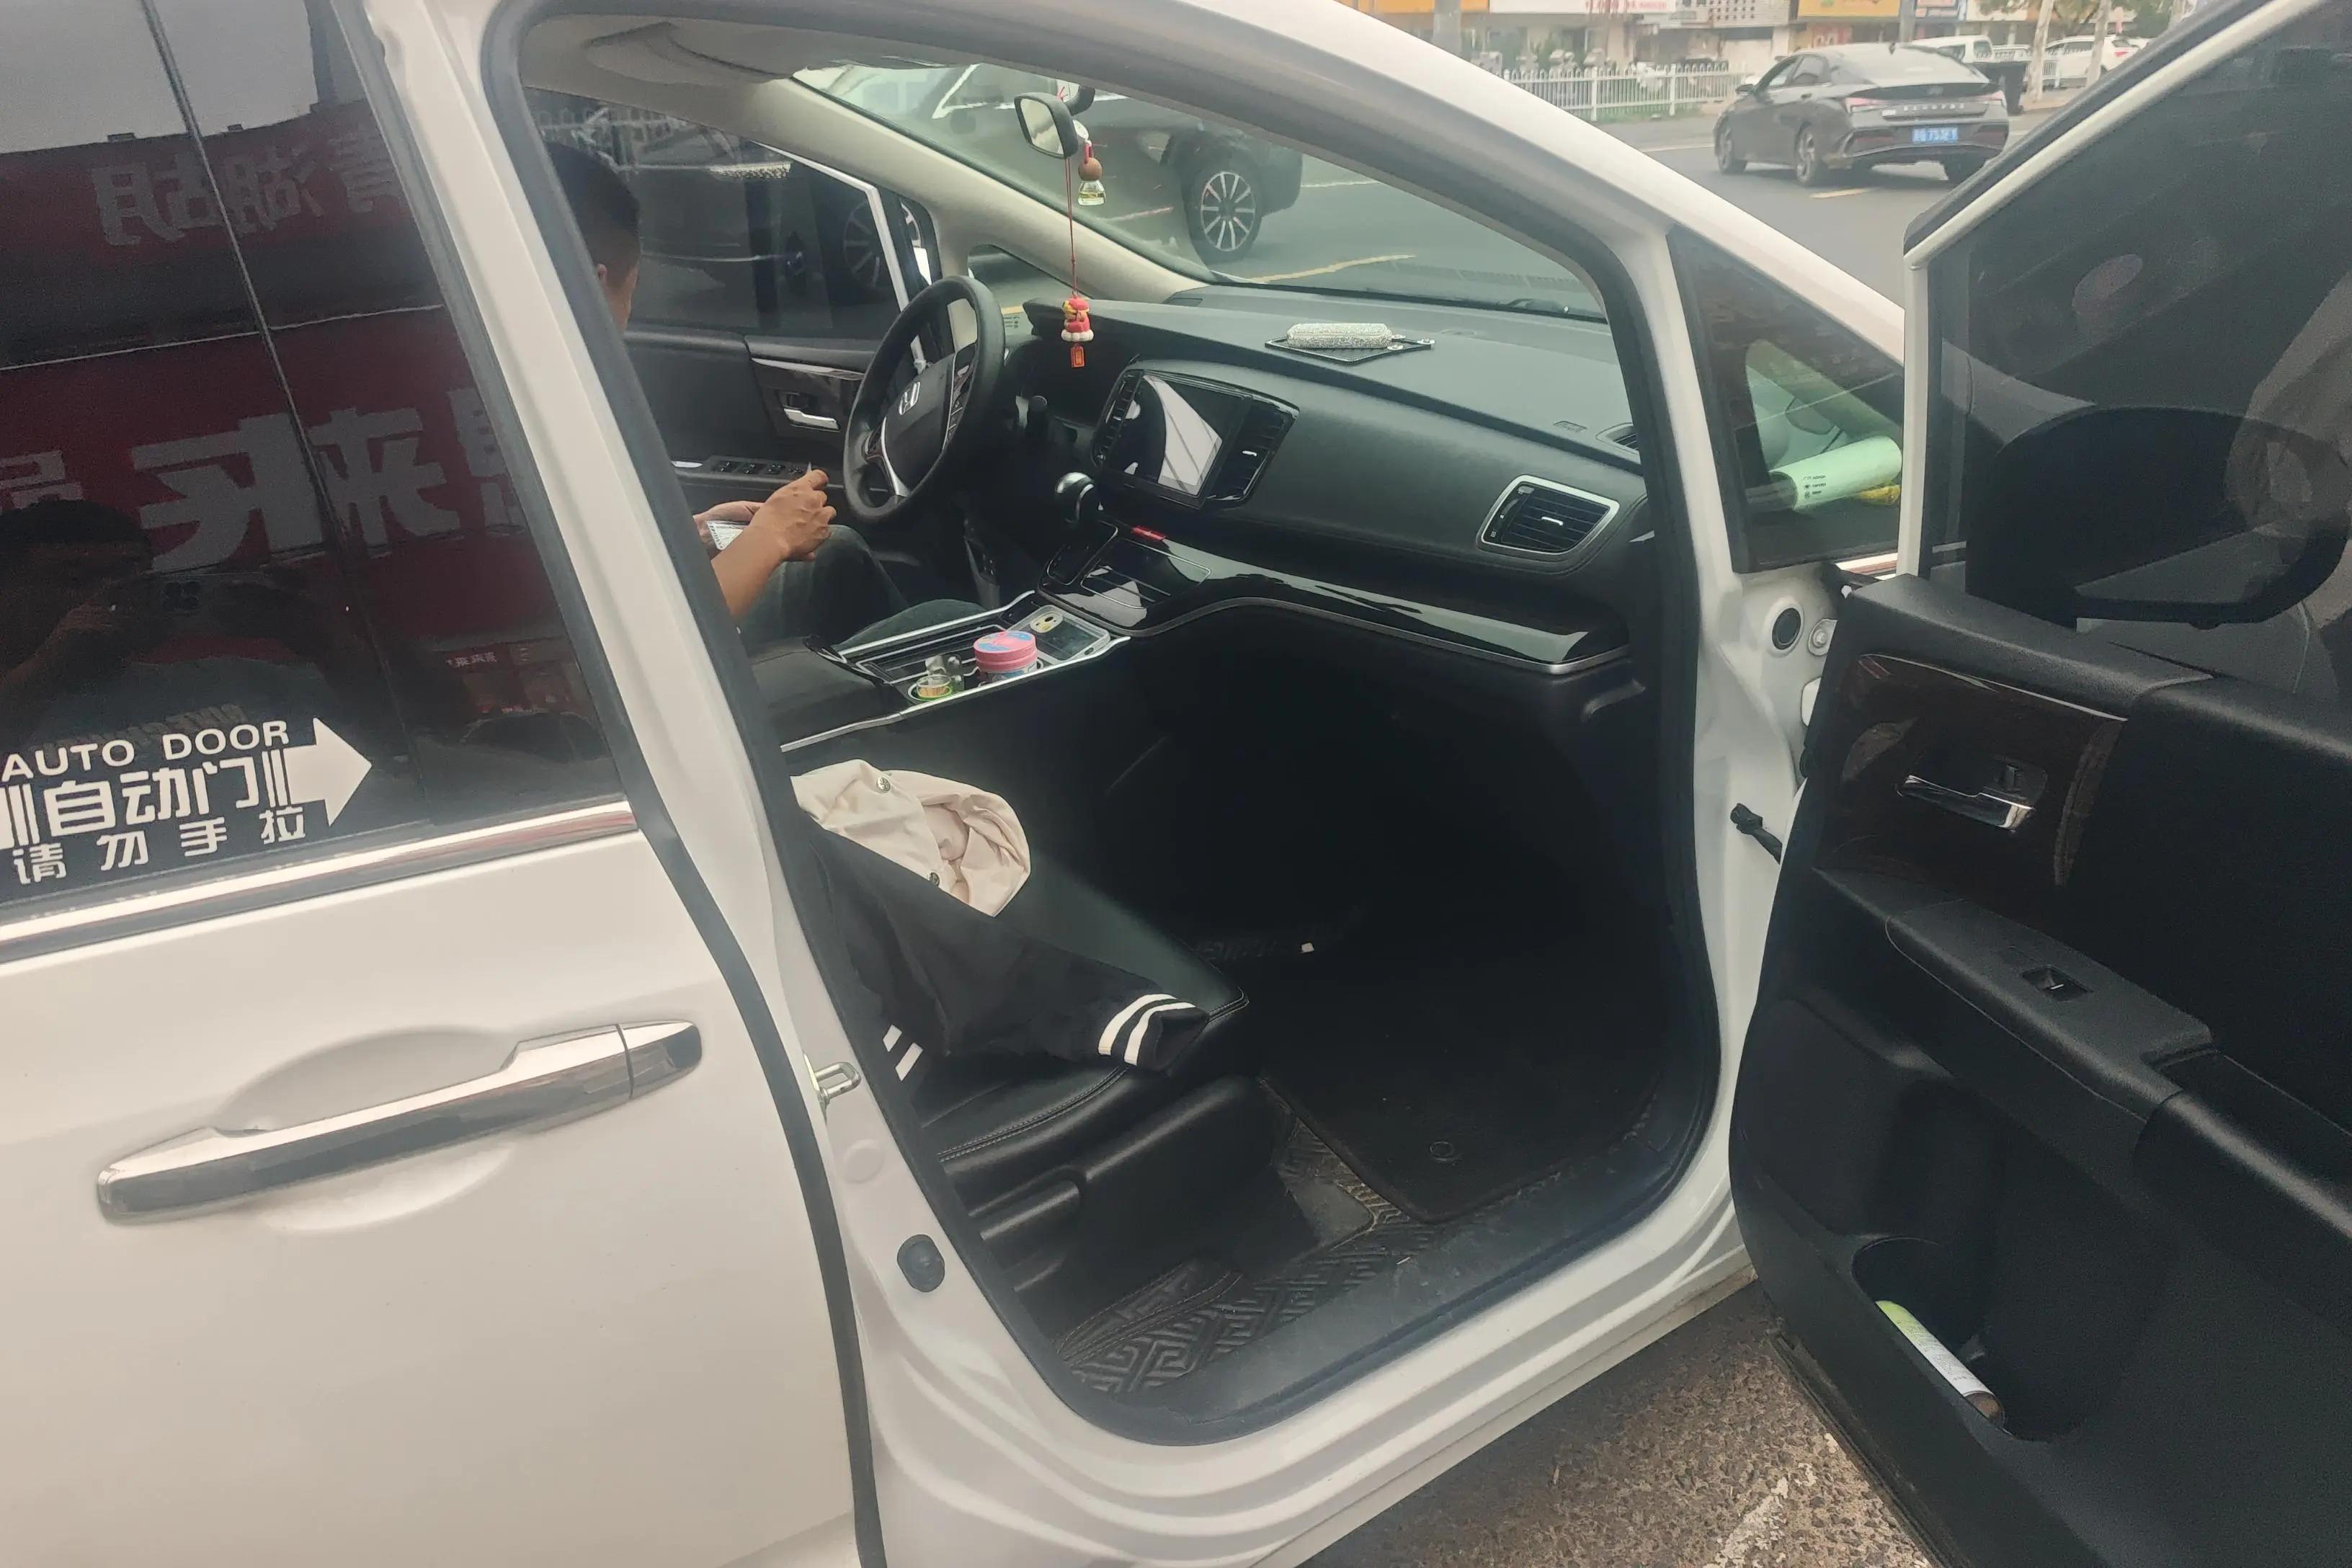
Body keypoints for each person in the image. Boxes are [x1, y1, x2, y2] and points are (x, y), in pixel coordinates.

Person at [548, 141, 911, 647]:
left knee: (839, 550)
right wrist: (770, 538)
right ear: (592, 285)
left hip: (653, 627)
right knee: (951, 616)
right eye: (632, 290)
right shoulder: (553, 422)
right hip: (677, 664)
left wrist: (694, 533)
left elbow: (611, 561)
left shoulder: (543, 397)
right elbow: (665, 637)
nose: (628, 317)